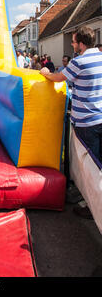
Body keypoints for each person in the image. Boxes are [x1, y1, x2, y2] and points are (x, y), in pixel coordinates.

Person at [40, 26, 102, 218]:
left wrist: (44, 73)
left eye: (74, 42)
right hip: (100, 117)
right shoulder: (100, 57)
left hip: (86, 121)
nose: (72, 45)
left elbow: (58, 77)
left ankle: (93, 208)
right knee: (99, 163)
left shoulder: (79, 61)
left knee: (90, 168)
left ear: (82, 44)